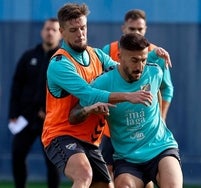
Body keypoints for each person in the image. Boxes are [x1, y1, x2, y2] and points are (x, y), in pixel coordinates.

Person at [41, 3, 171, 188]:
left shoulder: (96, 54)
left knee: (106, 185)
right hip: (62, 134)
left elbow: (122, 70)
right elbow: (89, 94)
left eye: (83, 27)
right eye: (74, 30)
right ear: (61, 31)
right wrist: (128, 96)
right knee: (84, 174)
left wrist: (150, 58)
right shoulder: (60, 64)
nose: (80, 33)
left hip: (91, 140)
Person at [69, 33, 183, 188]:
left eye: (143, 60)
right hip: (128, 158)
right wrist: (90, 110)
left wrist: (155, 55)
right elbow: (74, 116)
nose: (140, 67)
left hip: (161, 148)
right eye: (134, 60)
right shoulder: (103, 82)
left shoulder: (154, 72)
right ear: (119, 56)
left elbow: (165, 88)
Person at [101, 9, 174, 187]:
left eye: (140, 29)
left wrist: (162, 117)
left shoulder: (156, 55)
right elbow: (101, 85)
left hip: (145, 129)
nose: (136, 33)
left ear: (145, 30)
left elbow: (166, 89)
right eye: (132, 29)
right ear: (123, 28)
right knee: (108, 174)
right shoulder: (108, 50)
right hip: (115, 129)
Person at [8, 18, 62, 188]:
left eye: (54, 29)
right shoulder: (28, 56)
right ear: (42, 32)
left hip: (50, 120)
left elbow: (67, 93)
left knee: (52, 161)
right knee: (17, 154)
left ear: (60, 34)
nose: (50, 32)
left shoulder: (63, 60)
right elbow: (16, 86)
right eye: (47, 29)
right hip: (25, 118)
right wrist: (13, 114)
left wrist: (49, 112)